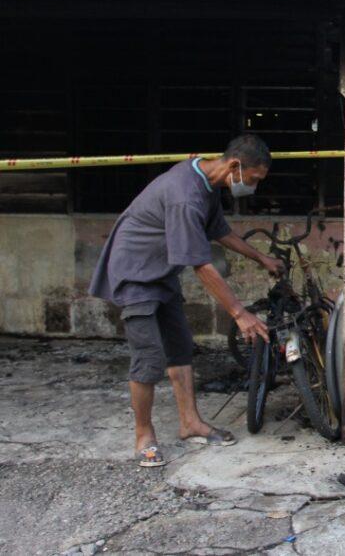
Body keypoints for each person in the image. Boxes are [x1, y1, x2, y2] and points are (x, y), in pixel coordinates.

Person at [89, 134, 285, 467]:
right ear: (235, 166)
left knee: (180, 346)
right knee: (149, 357)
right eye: (253, 179)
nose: (253, 187)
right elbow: (201, 265)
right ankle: (143, 435)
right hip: (135, 271)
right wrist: (239, 313)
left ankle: (190, 422)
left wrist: (261, 258)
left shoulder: (208, 185)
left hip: (162, 271)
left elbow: (220, 231)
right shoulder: (185, 195)